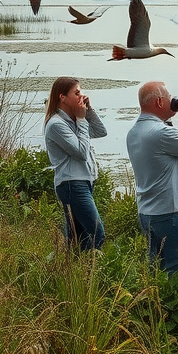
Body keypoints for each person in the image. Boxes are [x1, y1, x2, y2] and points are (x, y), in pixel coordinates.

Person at [126, 81, 178, 300]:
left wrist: (170, 117)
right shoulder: (160, 133)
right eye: (169, 97)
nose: (174, 101)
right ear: (158, 101)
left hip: (148, 214)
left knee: (160, 275)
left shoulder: (135, 131)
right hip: (173, 216)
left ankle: (159, 321)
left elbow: (165, 147)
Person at [43, 76, 108, 251]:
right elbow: (81, 152)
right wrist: (81, 120)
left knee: (77, 238)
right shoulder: (56, 124)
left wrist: (89, 110)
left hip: (83, 182)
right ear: (63, 98)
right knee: (96, 232)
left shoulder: (73, 120)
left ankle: (74, 271)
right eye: (77, 93)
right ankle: (90, 268)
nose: (81, 95)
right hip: (72, 183)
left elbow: (101, 131)